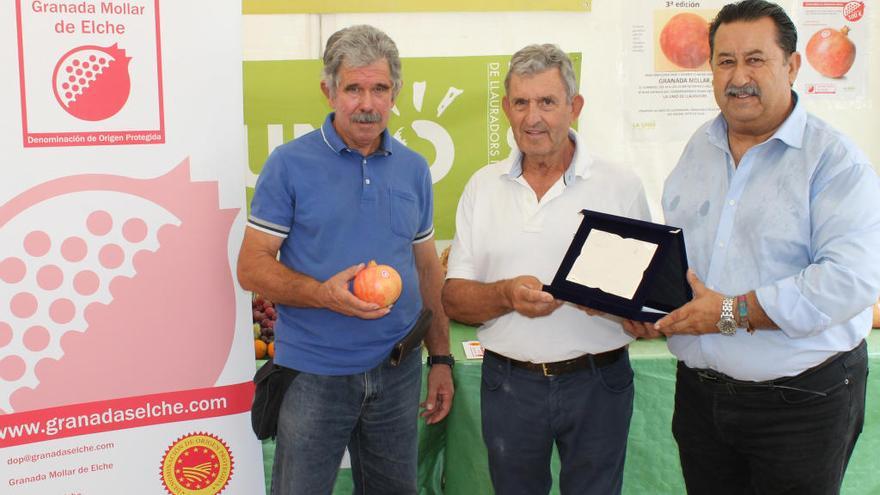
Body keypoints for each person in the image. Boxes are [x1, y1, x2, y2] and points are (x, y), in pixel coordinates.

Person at [625, 1, 880, 493]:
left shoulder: (835, 162)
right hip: (702, 400)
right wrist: (650, 306)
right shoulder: (699, 145)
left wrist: (730, 312)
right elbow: (687, 260)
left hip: (801, 404)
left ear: (793, 65)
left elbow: (849, 280)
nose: (739, 75)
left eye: (756, 59)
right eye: (725, 61)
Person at [237, 25, 453, 495]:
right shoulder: (289, 164)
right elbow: (251, 266)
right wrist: (322, 295)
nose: (367, 103)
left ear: (394, 94)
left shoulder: (413, 167)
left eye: (379, 89)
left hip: (397, 371)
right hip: (314, 374)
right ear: (328, 90)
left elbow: (426, 268)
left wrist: (441, 358)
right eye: (353, 88)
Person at [442, 44, 651, 495]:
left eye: (547, 102)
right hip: (509, 383)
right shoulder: (482, 187)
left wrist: (623, 310)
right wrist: (506, 295)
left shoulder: (621, 186)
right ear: (505, 109)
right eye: (521, 103)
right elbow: (453, 297)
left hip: (599, 381)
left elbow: (648, 302)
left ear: (574, 107)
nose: (533, 117)